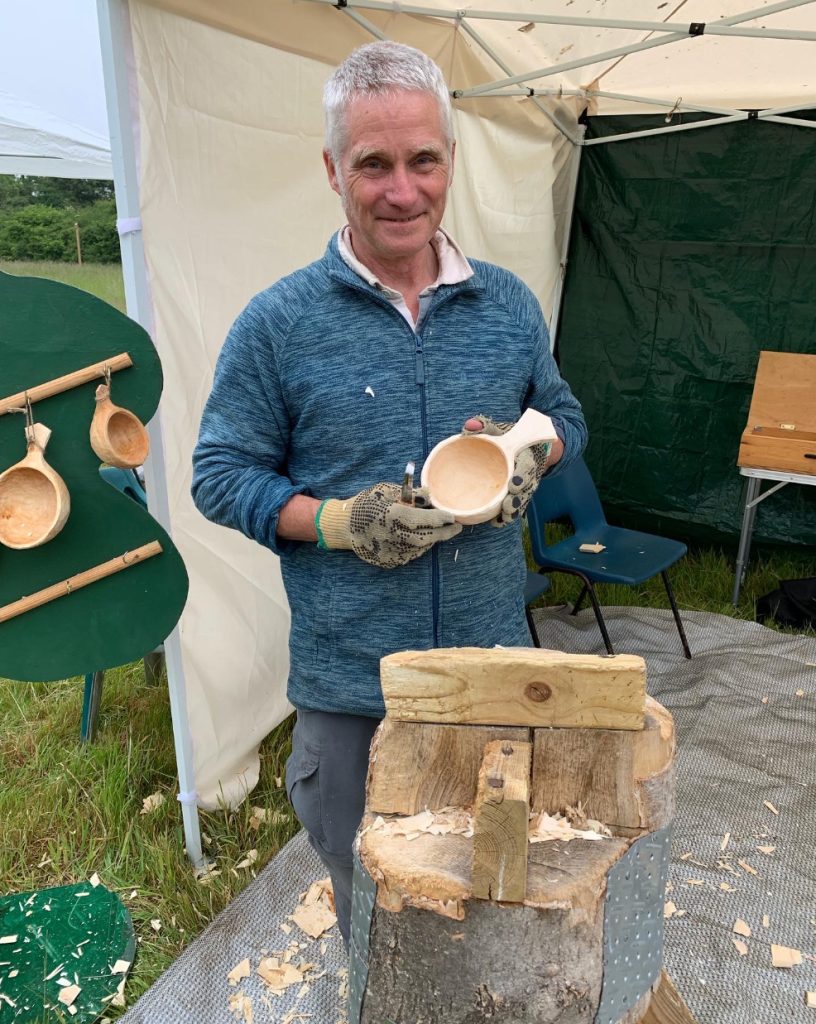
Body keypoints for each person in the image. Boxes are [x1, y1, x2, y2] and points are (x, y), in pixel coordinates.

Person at [191, 40, 587, 946]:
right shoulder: (279, 323)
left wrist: (539, 449)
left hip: (492, 664)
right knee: (369, 892)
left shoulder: (509, 306)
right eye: (374, 163)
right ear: (333, 169)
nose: (402, 190)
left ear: (450, 160)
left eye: (423, 160)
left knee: (491, 879)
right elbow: (219, 476)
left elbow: (563, 410)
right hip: (352, 685)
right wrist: (336, 521)